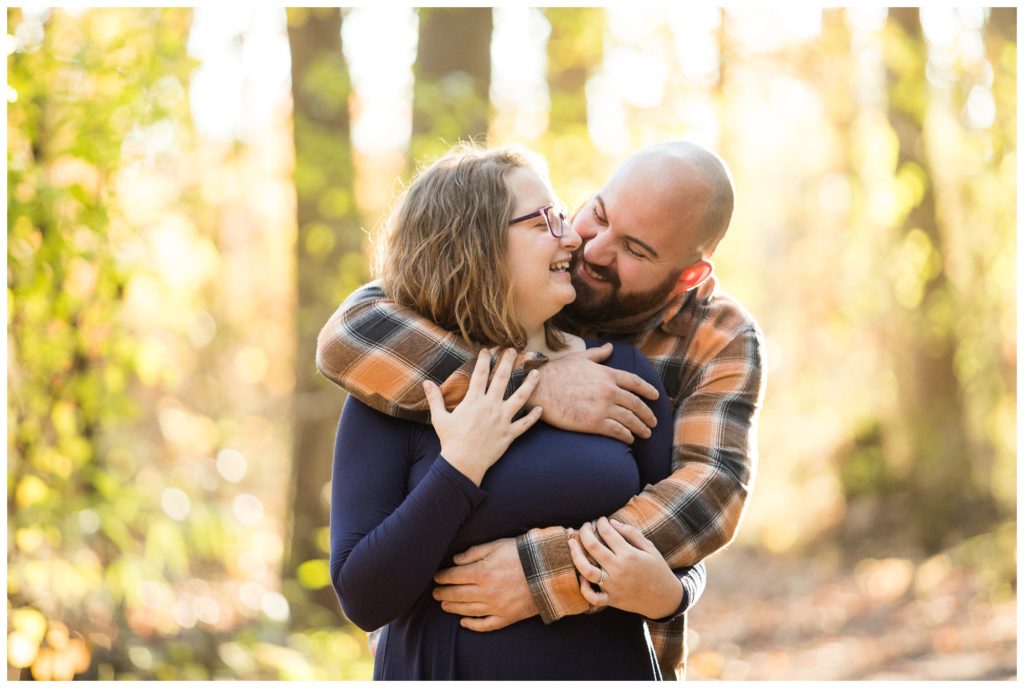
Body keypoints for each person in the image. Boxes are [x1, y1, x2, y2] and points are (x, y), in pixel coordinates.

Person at [319, 141, 765, 678]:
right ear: (476, 247)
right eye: (595, 214)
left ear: (688, 275)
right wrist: (535, 387)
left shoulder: (703, 344)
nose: (589, 248)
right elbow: (349, 336)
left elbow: (703, 503)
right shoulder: (412, 351)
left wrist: (546, 575)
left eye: (636, 251)